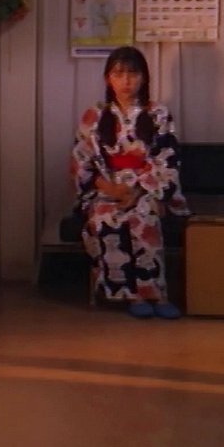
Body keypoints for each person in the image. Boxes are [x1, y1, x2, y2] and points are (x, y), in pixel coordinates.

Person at [70, 46, 189, 319]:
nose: (126, 81)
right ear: (108, 79)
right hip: (106, 187)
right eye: (118, 74)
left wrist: (137, 190)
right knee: (104, 216)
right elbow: (81, 162)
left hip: (146, 187)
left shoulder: (157, 113)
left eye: (133, 74)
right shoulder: (94, 115)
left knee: (144, 215)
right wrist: (110, 189)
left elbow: (167, 158)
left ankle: (156, 294)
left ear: (144, 77)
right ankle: (129, 295)